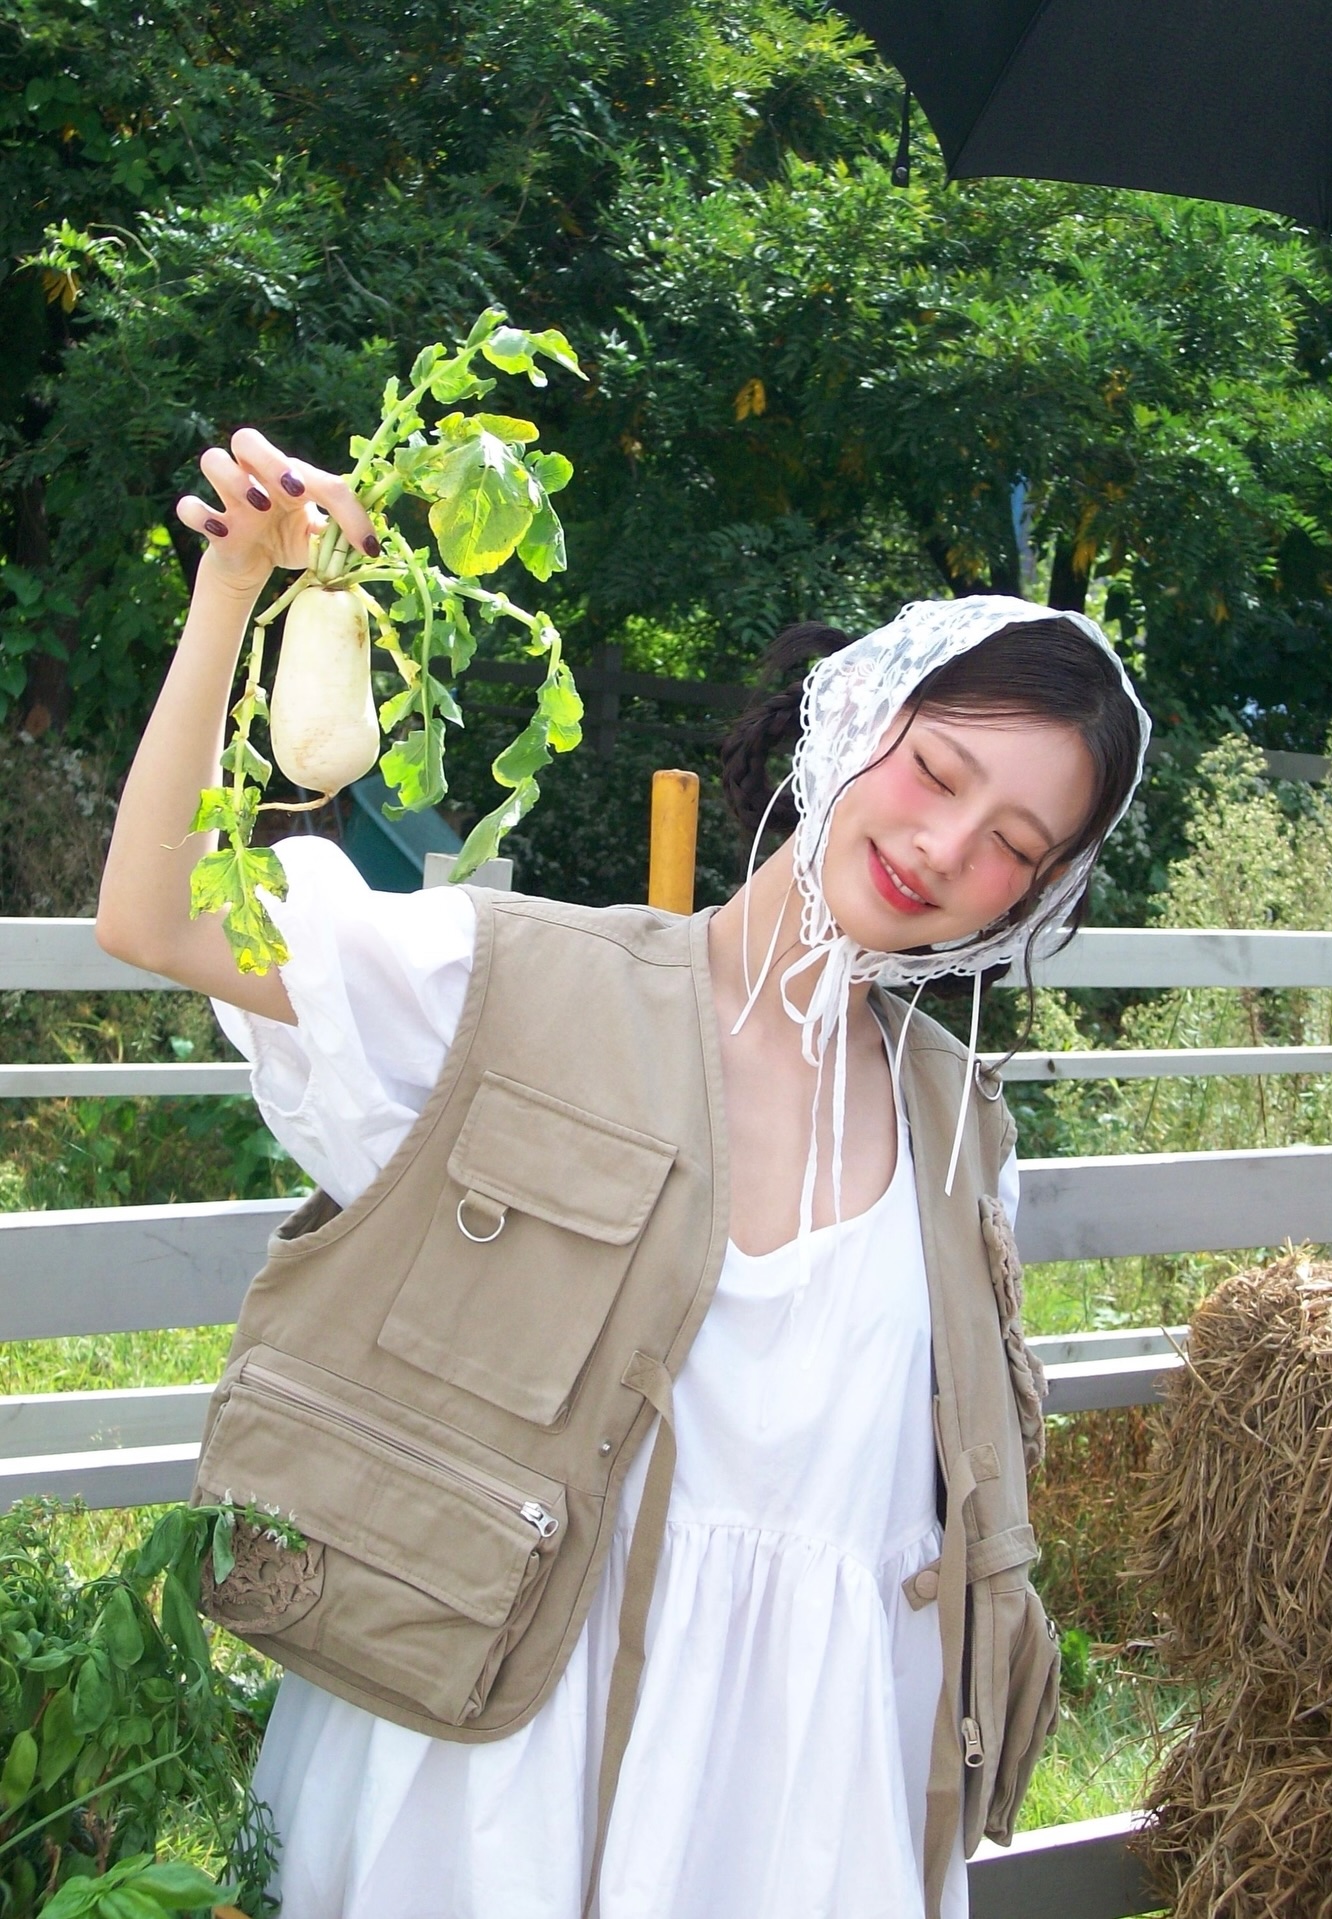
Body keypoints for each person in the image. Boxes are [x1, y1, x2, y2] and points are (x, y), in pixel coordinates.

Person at [96, 430, 1150, 1919]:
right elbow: (154, 916)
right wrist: (239, 595)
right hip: (487, 1786)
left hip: (799, 1822)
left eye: (1012, 844)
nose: (941, 846)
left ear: (1033, 899)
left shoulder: (961, 1136)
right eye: (936, 770)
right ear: (859, 714)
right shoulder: (519, 987)